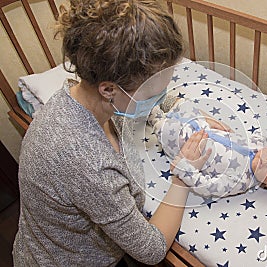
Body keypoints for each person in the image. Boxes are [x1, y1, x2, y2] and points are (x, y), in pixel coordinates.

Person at [12, 0, 198, 266]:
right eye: (152, 93)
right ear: (109, 89)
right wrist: (183, 177)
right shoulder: (86, 160)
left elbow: (144, 99)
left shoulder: (82, 97)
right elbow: (152, 250)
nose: (158, 97)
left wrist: (184, 111)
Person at [148, 98, 267, 198]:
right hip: (204, 127)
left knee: (168, 131)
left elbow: (207, 187)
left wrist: (185, 168)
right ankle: (169, 102)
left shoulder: (240, 181)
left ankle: (155, 118)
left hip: (188, 146)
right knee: (187, 107)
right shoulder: (259, 144)